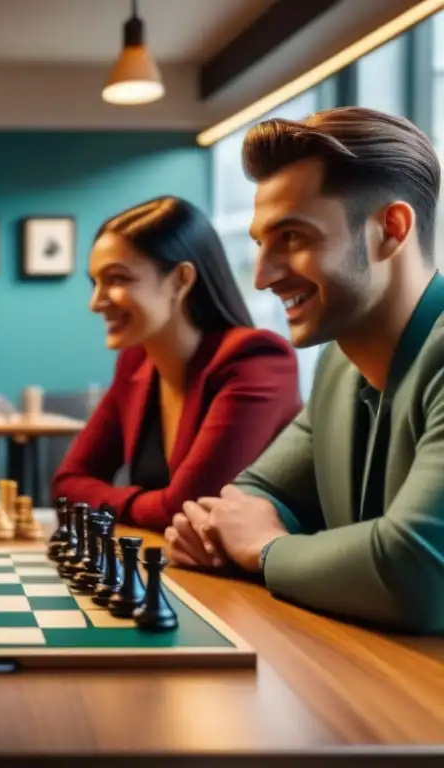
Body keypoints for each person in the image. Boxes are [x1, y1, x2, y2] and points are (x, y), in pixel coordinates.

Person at [167, 107, 444, 635]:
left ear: (391, 229)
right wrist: (242, 533)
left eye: (292, 237)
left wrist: (268, 549)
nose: (264, 275)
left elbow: (417, 570)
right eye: (260, 243)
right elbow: (249, 498)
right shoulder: (338, 362)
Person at [51, 195, 301, 530]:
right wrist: (154, 504)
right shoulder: (135, 363)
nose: (96, 303)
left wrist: (117, 500)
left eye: (117, 279)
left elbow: (188, 508)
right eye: (95, 282)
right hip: (172, 565)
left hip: (251, 577)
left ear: (181, 280)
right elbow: (67, 484)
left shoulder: (255, 360)